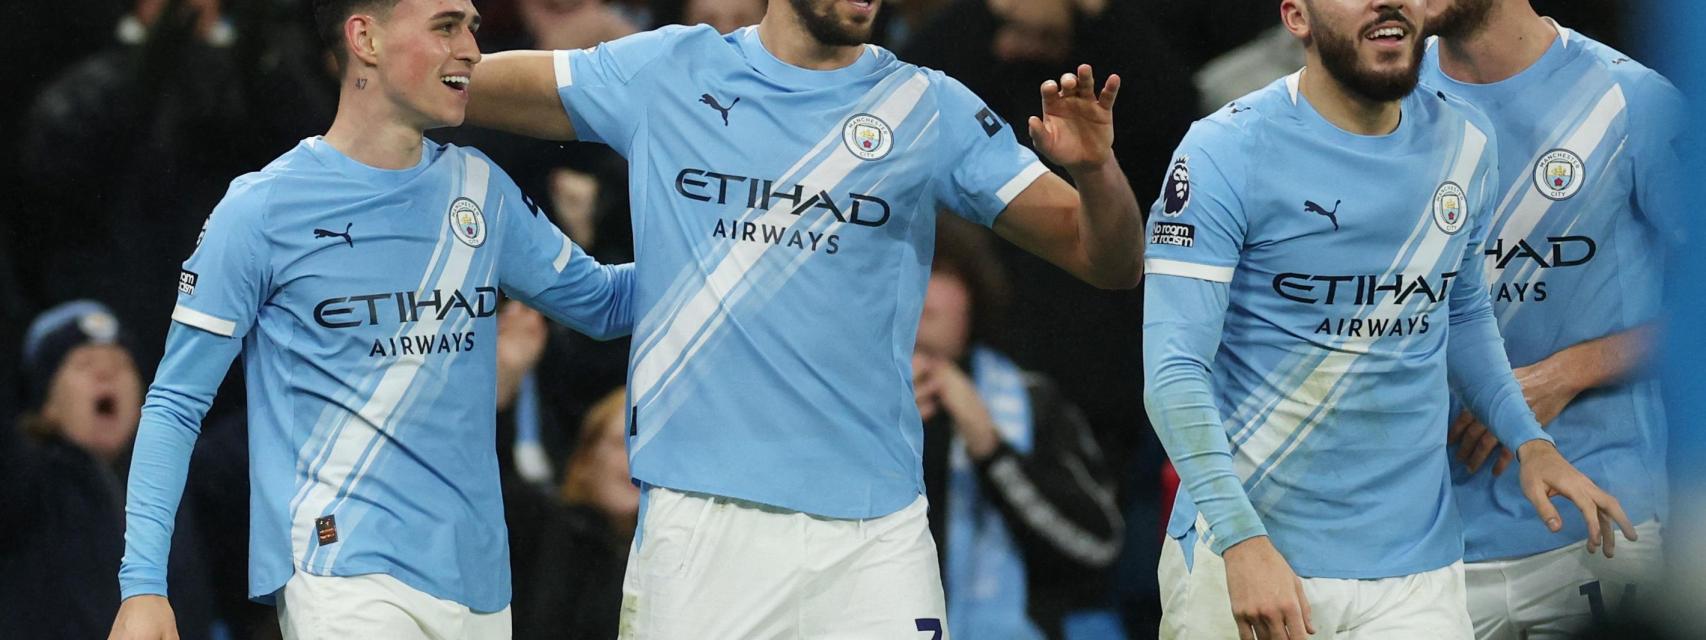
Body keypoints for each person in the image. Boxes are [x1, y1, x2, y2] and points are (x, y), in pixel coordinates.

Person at [463, 0, 1146, 634]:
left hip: (878, 536)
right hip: (700, 525)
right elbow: (446, 83)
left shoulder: (927, 106)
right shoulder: (666, 72)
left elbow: (1111, 260)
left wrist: (1096, 174)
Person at [107, 0, 635, 638]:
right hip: (341, 573)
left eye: (471, 26)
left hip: (481, 584)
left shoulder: (481, 190)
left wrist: (733, 242)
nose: (470, 48)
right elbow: (174, 403)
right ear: (365, 39)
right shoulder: (263, 210)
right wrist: (142, 586)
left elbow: (607, 305)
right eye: (445, 26)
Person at [1142, 1, 1634, 638]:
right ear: (1297, 18)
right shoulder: (1223, 151)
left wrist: (1529, 442)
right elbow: (1175, 371)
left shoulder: (1466, 142)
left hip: (1417, 575)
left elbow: (1461, 311)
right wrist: (1240, 543)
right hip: (1251, 558)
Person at [1422, 1, 1683, 637]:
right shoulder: (1385, 101)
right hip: (1420, 556)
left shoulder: (1632, 100)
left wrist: (1569, 371)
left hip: (1596, 527)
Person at [913, 218, 1124, 639]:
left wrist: (992, 449)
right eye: (907, 269)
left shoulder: (1030, 402)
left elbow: (1097, 548)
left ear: (973, 295)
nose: (920, 291)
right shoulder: (835, 406)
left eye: (939, 272)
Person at [0, 301, 215, 640]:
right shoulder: (22, 481)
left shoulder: (193, 474)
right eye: (83, 365)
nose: (107, 374)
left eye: (122, 364)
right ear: (47, 405)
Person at [513, 387, 641, 640]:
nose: (635, 461)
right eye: (621, 443)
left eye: (646, 449)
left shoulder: (659, 559)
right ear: (586, 456)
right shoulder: (534, 528)